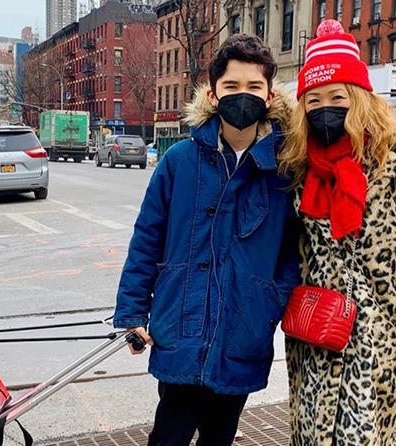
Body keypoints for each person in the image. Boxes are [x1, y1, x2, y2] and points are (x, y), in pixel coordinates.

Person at [113, 34, 301, 446]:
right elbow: (147, 239)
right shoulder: (179, 161)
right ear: (214, 94)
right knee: (169, 436)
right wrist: (130, 312)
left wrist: (270, 301)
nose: (243, 96)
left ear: (269, 96)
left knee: (220, 437)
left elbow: (292, 253)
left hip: (243, 331)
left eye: (254, 87)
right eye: (231, 86)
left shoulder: (284, 170)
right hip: (181, 325)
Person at [278, 20, 396, 445]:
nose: (326, 107)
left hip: (385, 340)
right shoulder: (299, 165)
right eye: (314, 99)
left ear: (359, 97)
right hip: (316, 336)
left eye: (337, 97)